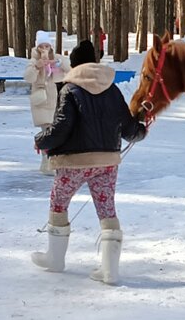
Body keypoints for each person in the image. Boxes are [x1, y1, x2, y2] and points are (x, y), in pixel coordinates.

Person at [31, 41, 147, 285]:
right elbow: (128, 130)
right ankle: (109, 271)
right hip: (106, 162)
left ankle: (55, 259)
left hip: (74, 161)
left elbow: (61, 128)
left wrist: (41, 141)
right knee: (107, 210)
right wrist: (141, 129)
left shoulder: (70, 90)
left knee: (59, 204)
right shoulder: (113, 90)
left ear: (73, 65)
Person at [24, 40, 69, 175]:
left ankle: (51, 159)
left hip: (55, 98)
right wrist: (37, 67)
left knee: (55, 129)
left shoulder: (57, 58)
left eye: (47, 46)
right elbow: (28, 78)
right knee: (47, 128)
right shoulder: (33, 61)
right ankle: (46, 160)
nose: (44, 49)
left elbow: (69, 70)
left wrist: (58, 64)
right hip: (40, 99)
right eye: (41, 46)